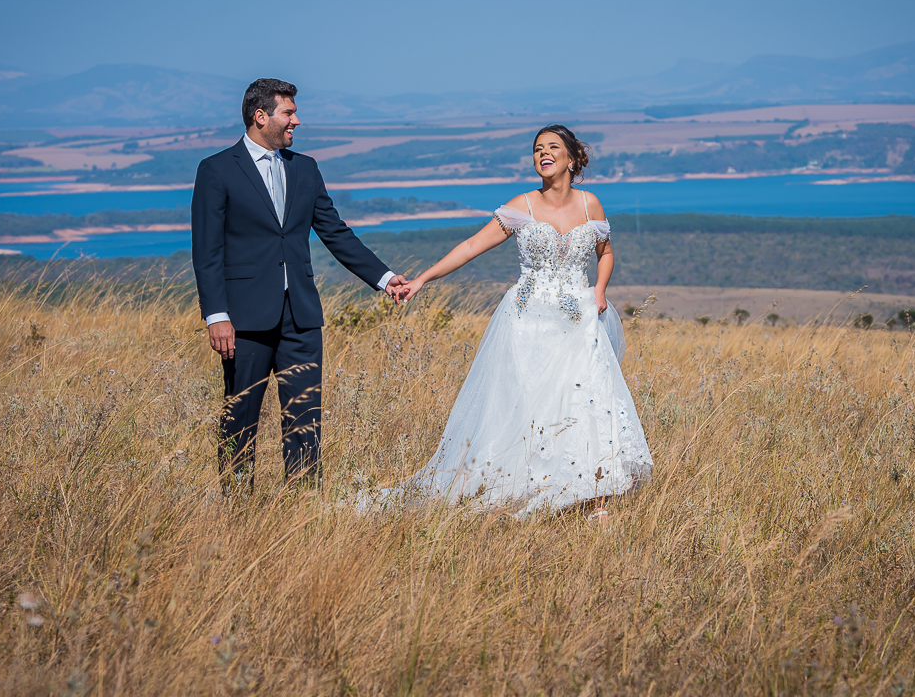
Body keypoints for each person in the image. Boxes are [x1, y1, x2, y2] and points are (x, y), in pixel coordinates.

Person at [386, 124, 653, 517]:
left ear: (572, 158)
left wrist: (599, 290)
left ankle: (593, 496)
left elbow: (606, 252)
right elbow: (471, 246)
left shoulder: (590, 205)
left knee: (585, 399)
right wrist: (422, 279)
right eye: (537, 149)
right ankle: (531, 486)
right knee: (530, 405)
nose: (543, 153)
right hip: (529, 322)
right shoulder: (522, 205)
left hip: (579, 320)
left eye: (552, 147)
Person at [191, 78, 406, 493]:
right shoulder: (216, 169)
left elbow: (335, 233)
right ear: (261, 116)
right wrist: (217, 315)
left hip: (302, 318)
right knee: (240, 418)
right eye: (288, 113)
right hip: (244, 320)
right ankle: (237, 506)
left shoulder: (305, 168)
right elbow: (207, 250)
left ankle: (303, 507)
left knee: (305, 419)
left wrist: (383, 278)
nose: (297, 121)